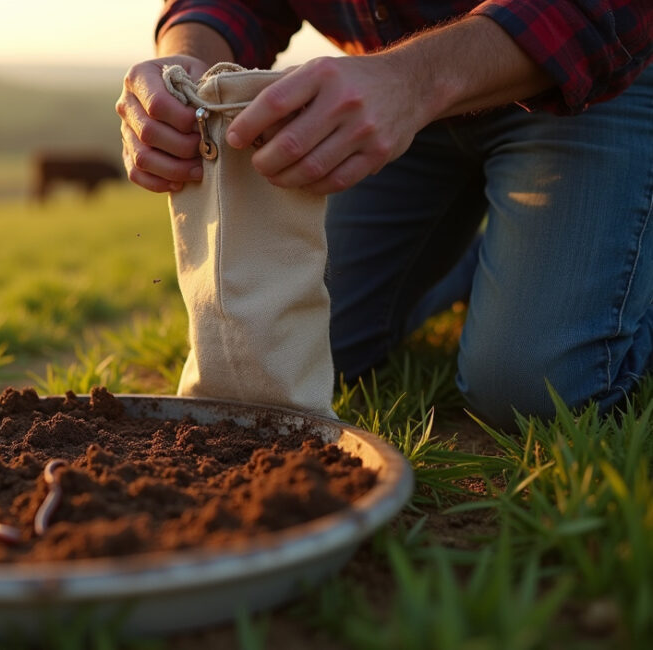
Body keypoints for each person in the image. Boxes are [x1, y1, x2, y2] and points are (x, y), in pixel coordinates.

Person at [117, 1, 653, 428]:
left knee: (535, 388)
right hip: (385, 97)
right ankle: (487, 265)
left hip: (593, 77)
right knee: (309, 346)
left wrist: (413, 80)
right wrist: (184, 60)